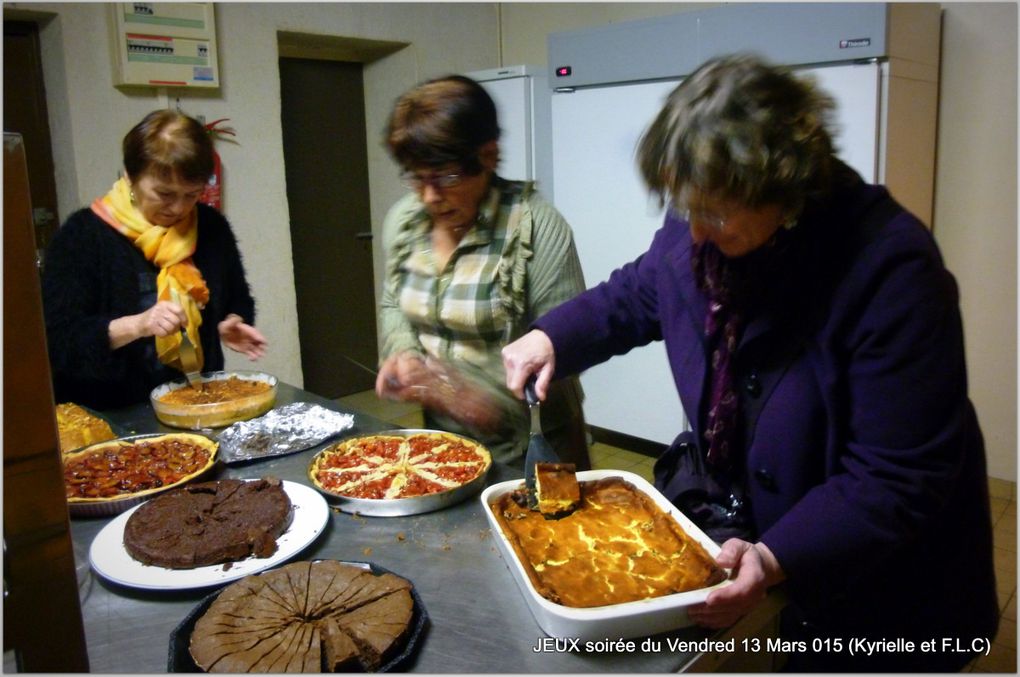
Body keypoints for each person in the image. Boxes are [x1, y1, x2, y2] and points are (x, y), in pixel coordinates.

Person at [501, 54, 997, 671]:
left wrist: (776, 554)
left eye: (713, 214)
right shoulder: (701, 220)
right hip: (763, 525)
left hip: (884, 581)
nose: (695, 233)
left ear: (788, 193)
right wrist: (553, 337)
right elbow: (639, 291)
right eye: (687, 209)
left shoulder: (892, 272)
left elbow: (896, 475)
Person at [377, 74, 590, 467]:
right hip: (444, 442)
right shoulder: (405, 223)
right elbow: (394, 300)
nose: (429, 197)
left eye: (446, 178)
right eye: (417, 178)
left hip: (536, 446)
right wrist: (403, 352)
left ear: (488, 156)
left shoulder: (536, 228)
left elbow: (567, 345)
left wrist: (480, 395)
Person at [42, 109, 267, 410]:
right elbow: (59, 340)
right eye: (164, 193)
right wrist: (137, 325)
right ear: (130, 177)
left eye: (191, 195)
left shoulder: (211, 227)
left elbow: (238, 297)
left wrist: (233, 322)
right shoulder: (83, 236)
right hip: (111, 412)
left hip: (197, 401)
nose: (178, 208)